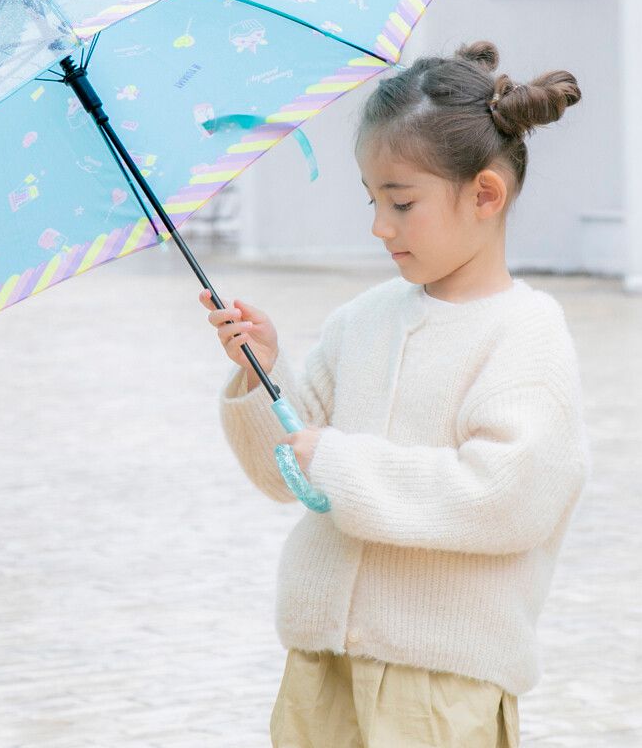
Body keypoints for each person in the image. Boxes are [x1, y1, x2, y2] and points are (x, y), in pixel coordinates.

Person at [200, 41, 592, 748]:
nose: (380, 225)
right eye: (372, 199)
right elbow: (287, 471)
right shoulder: (364, 321)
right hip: (322, 670)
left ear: (484, 194)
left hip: (439, 688)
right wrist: (263, 374)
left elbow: (506, 497)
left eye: (401, 202)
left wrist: (340, 464)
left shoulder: (524, 334)